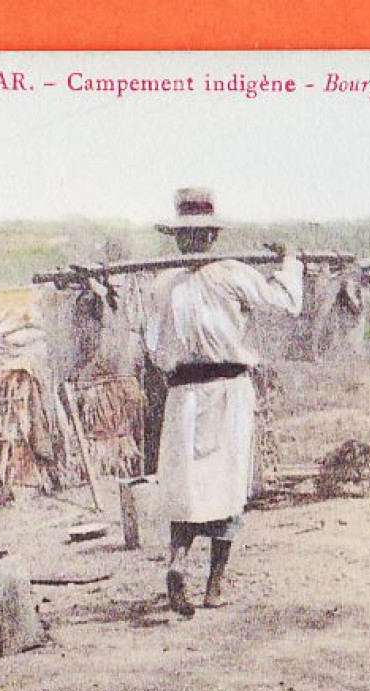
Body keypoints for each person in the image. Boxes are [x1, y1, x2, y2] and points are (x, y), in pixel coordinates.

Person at [143, 187, 304, 616]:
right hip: (227, 390)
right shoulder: (231, 274)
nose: (194, 243)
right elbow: (286, 301)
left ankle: (178, 564)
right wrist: (290, 262)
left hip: (184, 394)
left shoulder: (161, 285)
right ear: (210, 236)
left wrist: (177, 367)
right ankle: (214, 584)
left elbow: (154, 347)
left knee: (187, 486)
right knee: (225, 486)